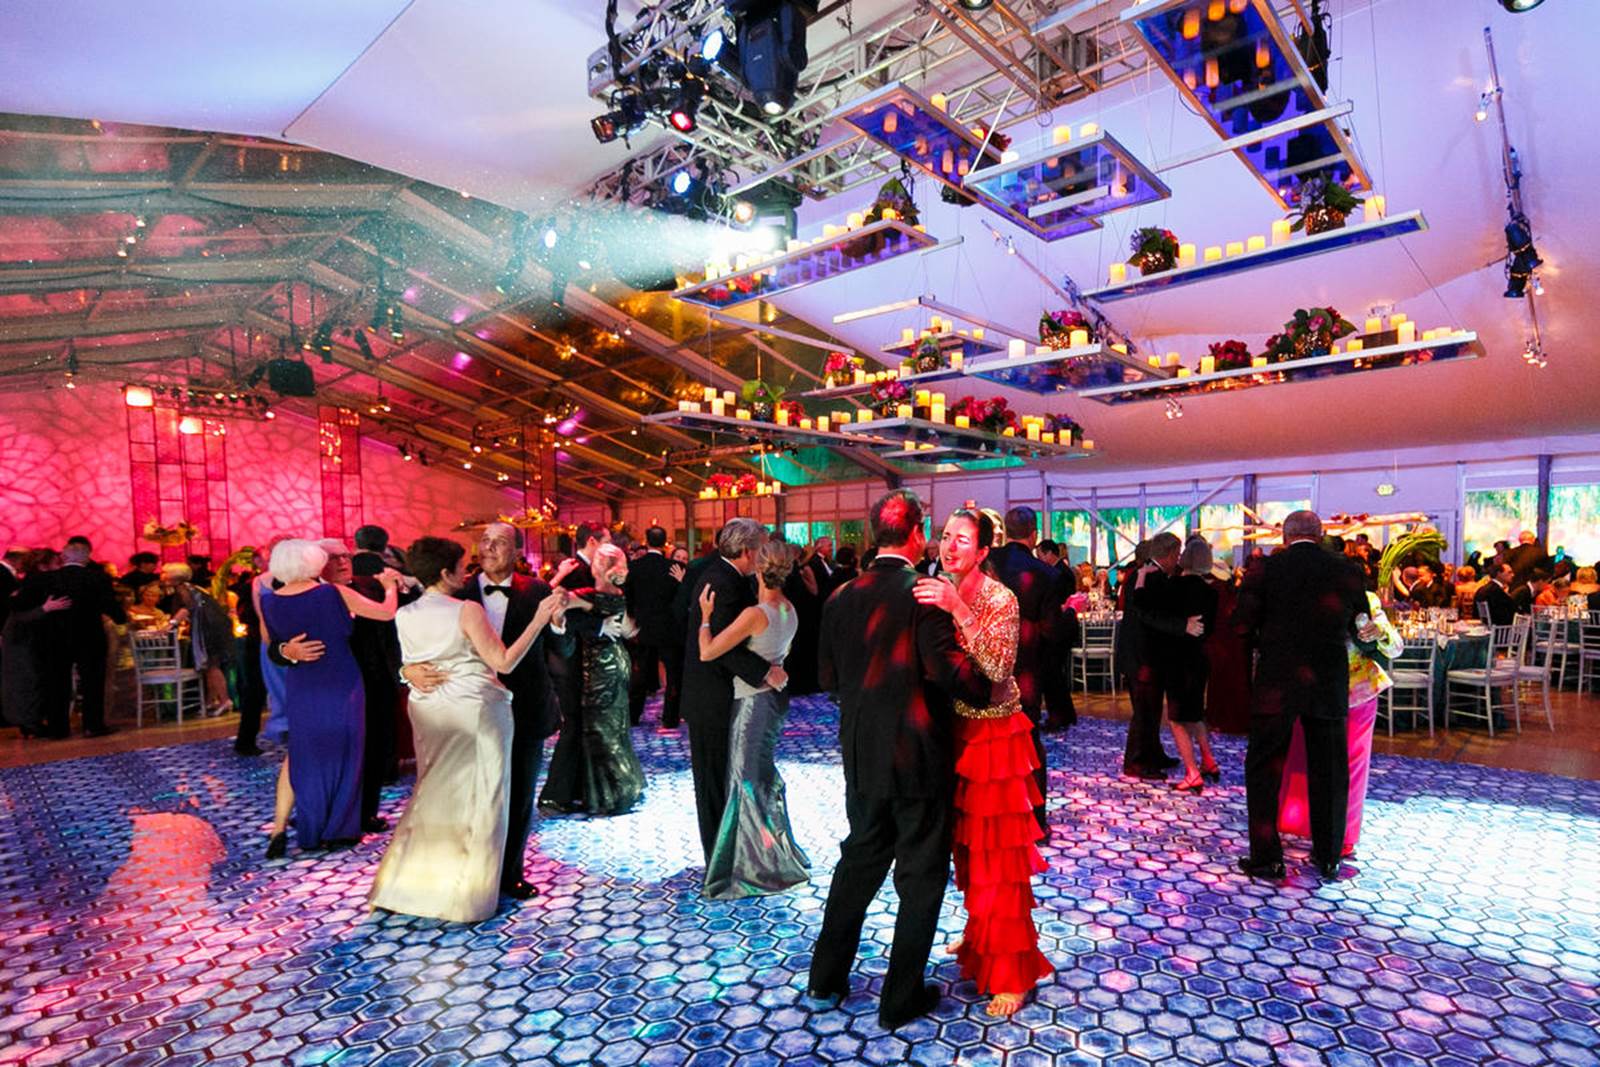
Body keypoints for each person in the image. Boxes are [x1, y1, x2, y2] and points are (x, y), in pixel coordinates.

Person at [806, 490, 1001, 1030]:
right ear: (916, 534)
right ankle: (900, 996)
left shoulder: (841, 595)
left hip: (862, 754)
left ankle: (825, 978)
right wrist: (991, 684)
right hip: (918, 755)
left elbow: (826, 679)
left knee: (859, 861)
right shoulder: (925, 594)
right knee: (919, 876)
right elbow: (951, 675)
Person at [370, 536, 564, 922]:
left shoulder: (405, 613)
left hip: (429, 710)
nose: (471, 565)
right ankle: (467, 894)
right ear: (445, 573)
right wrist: (540, 619)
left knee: (434, 796)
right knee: (483, 799)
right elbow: (504, 662)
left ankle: (407, 886)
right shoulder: (468, 607)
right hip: (474, 711)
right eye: (463, 564)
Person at [912, 508, 1053, 1017]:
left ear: (983, 550)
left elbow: (997, 667)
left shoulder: (1000, 597)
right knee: (968, 855)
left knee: (998, 861)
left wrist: (957, 608)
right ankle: (979, 939)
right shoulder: (935, 584)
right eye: (946, 537)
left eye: (963, 540)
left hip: (995, 734)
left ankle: (1012, 972)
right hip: (955, 732)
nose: (950, 547)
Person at [1235, 511, 1369, 882]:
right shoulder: (1346, 569)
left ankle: (1268, 857)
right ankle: (1328, 857)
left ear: (1285, 536)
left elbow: (1243, 624)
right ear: (1321, 533)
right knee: (1329, 769)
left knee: (1264, 767)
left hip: (1278, 679)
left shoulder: (1265, 568)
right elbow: (1363, 627)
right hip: (1326, 678)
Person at [259, 539, 400, 858]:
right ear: (314, 562)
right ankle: (339, 828)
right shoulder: (329, 593)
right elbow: (385, 613)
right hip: (340, 679)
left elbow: (270, 642)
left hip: (302, 683)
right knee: (347, 751)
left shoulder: (270, 600)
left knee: (307, 755)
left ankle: (309, 829)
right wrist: (390, 586)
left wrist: (286, 650)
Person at [696, 540, 808, 900]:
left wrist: (704, 617)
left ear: (759, 569)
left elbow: (707, 651)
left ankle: (754, 865)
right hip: (774, 703)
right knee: (762, 779)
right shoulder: (789, 608)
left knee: (743, 783)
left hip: (752, 706)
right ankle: (772, 854)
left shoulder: (754, 614)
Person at [679, 519, 788, 863]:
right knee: (713, 781)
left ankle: (730, 852)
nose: (761, 556)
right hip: (711, 698)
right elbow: (720, 647)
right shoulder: (722, 582)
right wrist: (765, 672)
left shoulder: (721, 576)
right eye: (759, 549)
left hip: (715, 694)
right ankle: (718, 857)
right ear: (746, 550)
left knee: (726, 776)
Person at [1280, 588, 1401, 858]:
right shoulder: (1308, 597)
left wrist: (1379, 632)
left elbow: (1395, 647)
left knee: (1352, 766)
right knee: (1307, 759)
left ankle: (1343, 835)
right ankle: (1305, 822)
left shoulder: (1365, 600)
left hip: (1357, 693)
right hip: (1314, 691)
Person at [543, 543, 646, 815]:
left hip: (600, 669)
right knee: (608, 729)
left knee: (600, 730)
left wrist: (569, 597)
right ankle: (610, 788)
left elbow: (586, 601)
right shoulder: (606, 592)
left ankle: (606, 792)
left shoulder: (590, 593)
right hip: (612, 664)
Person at [986, 506, 1070, 834]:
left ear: (1006, 531)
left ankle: (992, 815)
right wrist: (1069, 614)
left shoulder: (987, 564)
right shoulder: (1045, 573)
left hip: (987, 664)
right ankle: (1035, 819)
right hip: (1025, 672)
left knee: (989, 743)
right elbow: (1051, 631)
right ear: (1034, 534)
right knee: (1028, 743)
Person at [1122, 533, 1202, 780]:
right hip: (1142, 657)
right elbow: (1148, 615)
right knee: (1144, 711)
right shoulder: (1147, 576)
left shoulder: (1148, 574)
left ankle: (1153, 754)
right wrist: (1182, 626)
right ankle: (1137, 762)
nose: (1177, 559)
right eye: (1176, 555)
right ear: (1167, 554)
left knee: (1151, 709)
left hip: (1146, 656)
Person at [45, 537, 126, 737]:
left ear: (64, 557)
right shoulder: (98, 578)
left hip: (57, 636)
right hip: (90, 636)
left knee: (57, 682)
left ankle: (58, 728)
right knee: (92, 681)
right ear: (87, 557)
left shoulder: (49, 578)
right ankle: (92, 725)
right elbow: (110, 604)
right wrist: (121, 618)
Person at [1167, 538, 1222, 792]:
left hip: (1178, 659)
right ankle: (1208, 760)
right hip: (1200, 657)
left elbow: (1167, 625)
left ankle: (1191, 771)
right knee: (1195, 712)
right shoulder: (1211, 592)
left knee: (1177, 719)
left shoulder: (1174, 587)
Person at [2, 551, 72, 737]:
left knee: (32, 682)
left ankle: (31, 723)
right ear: (43, 566)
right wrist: (44, 609)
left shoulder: (30, 582)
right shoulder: (33, 584)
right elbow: (19, 614)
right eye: (56, 564)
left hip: (26, 640)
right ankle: (30, 724)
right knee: (27, 682)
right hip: (21, 641)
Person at [625, 525, 685, 730]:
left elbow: (628, 597)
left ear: (646, 540)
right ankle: (670, 717)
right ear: (665, 542)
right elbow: (681, 598)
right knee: (673, 674)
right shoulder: (675, 567)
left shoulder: (634, 567)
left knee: (639, 674)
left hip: (643, 627)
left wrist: (633, 617)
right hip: (670, 627)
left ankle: (633, 715)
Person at [163, 563, 236, 716]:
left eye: (164, 573)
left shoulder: (183, 589)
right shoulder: (193, 587)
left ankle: (224, 700)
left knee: (211, 664)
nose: (162, 576)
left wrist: (170, 625)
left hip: (208, 628)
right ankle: (211, 701)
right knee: (209, 665)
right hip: (213, 626)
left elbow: (186, 608)